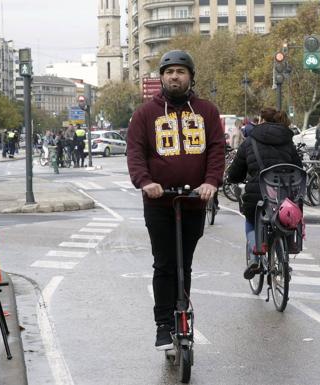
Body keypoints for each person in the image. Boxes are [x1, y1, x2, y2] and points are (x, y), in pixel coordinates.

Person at [126, 50, 225, 350]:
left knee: (186, 263)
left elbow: (217, 150)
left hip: (194, 201)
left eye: (181, 71)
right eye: (169, 72)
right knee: (165, 263)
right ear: (161, 78)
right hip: (159, 203)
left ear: (191, 77)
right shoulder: (145, 114)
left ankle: (182, 313)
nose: (174, 76)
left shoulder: (206, 111)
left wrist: (210, 182)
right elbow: (135, 153)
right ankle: (163, 324)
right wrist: (145, 182)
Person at [226, 107, 302, 280]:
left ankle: (254, 257)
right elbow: (299, 167)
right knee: (282, 218)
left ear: (260, 120)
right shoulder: (287, 140)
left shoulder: (250, 141)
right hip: (285, 196)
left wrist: (233, 178)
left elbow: (236, 171)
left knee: (251, 218)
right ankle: (283, 257)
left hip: (258, 194)